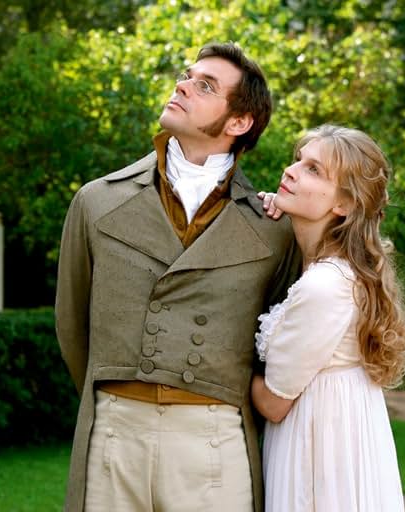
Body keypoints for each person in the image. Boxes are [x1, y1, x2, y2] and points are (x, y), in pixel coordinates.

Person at [55, 42, 298, 512]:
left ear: (239, 122)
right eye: (187, 76)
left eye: (205, 85)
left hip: (214, 439)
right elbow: (72, 324)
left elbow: (282, 346)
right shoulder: (96, 202)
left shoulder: (274, 230)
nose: (183, 85)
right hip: (113, 430)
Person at [251, 125, 405, 511]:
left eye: (314, 170)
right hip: (338, 436)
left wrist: (227, 368)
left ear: (342, 204)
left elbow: (275, 403)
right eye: (298, 161)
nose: (291, 171)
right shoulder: (334, 271)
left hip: (321, 451)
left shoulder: (325, 286)